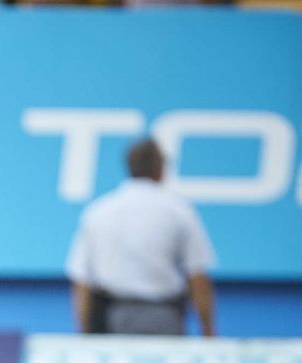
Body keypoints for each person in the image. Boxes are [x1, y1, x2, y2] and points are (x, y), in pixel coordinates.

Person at [66, 137, 216, 338]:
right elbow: (197, 276)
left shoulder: (99, 212)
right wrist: (208, 333)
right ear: (160, 168)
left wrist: (85, 334)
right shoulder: (179, 212)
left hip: (112, 319)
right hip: (164, 318)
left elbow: (82, 281)